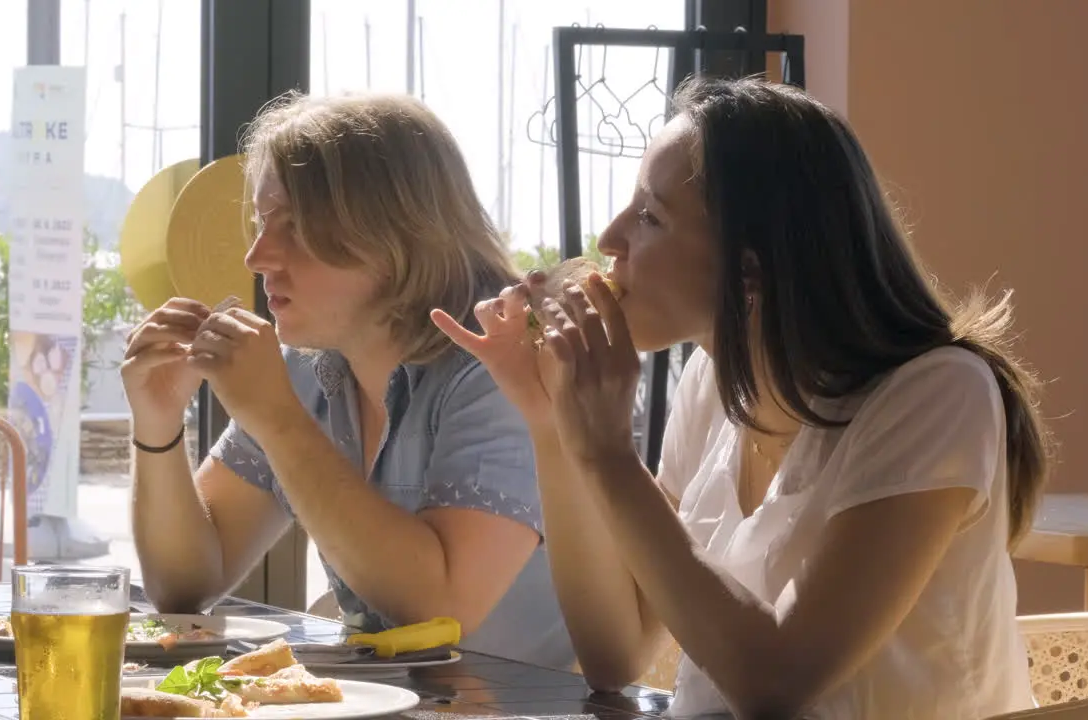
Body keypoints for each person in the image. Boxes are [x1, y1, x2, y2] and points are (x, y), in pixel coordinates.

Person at [435, 77, 1051, 719]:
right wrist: (551, 423)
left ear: (751, 268)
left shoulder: (937, 394)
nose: (611, 239)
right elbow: (615, 655)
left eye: (650, 216)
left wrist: (613, 457)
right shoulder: (709, 384)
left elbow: (776, 685)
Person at [123, 92, 573, 670]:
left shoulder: (500, 366)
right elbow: (185, 588)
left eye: (295, 225)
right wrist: (158, 425)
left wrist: (279, 420)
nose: (258, 256)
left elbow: (442, 613)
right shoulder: (308, 367)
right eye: (262, 222)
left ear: (394, 233)